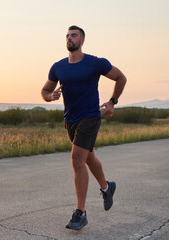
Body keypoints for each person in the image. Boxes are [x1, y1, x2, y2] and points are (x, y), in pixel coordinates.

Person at [41, 25, 127, 230]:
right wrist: (49, 96)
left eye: (74, 35)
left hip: (90, 116)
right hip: (70, 119)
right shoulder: (58, 67)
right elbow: (45, 90)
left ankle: (80, 213)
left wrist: (113, 101)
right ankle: (107, 187)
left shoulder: (95, 63)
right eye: (67, 36)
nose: (70, 38)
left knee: (76, 158)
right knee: (88, 157)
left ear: (82, 40)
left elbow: (121, 77)